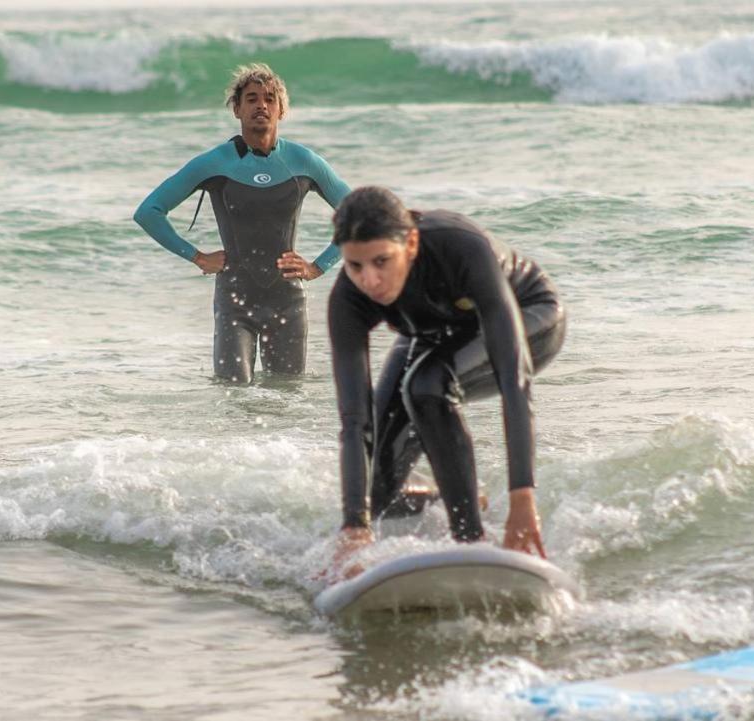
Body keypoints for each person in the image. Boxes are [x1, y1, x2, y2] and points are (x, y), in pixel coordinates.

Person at [325, 186, 566, 575]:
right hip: (435, 331)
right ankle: (448, 496)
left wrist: (523, 498)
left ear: (412, 243)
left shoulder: (460, 246)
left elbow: (513, 381)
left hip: (530, 316)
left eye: (382, 261)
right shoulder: (348, 299)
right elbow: (355, 420)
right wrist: (354, 526)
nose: (369, 280)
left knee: (427, 386)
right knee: (376, 496)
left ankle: (470, 541)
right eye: (355, 266)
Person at [134, 63, 350, 383]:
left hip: (288, 302)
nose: (261, 105)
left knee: (286, 400)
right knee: (232, 397)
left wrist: (317, 267)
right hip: (235, 303)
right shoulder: (215, 162)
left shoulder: (304, 162)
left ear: (281, 110)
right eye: (251, 99)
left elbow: (362, 216)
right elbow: (149, 212)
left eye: (270, 99)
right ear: (237, 109)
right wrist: (197, 256)